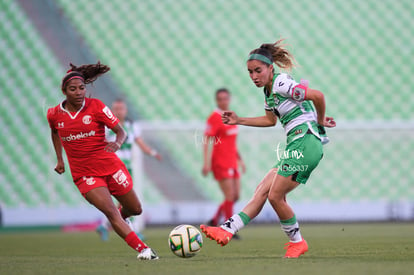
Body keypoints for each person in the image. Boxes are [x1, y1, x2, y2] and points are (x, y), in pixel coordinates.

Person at [200, 39, 336, 258]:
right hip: (295, 144)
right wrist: (239, 120)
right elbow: (269, 120)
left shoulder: (282, 83)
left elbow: (318, 96)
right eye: (250, 72)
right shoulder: (269, 92)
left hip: (306, 142)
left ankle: (297, 242)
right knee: (262, 191)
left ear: (270, 68)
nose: (254, 76)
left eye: (258, 71)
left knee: (275, 196)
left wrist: (319, 122)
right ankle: (227, 229)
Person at [47, 62, 158, 260]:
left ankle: (122, 223)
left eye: (82, 88)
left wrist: (117, 143)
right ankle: (144, 250)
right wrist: (59, 159)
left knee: (135, 209)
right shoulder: (54, 114)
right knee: (110, 211)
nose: (79, 92)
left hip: (110, 165)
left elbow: (121, 131)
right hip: (85, 174)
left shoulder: (96, 106)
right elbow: (55, 132)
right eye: (73, 89)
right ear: (64, 91)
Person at [96, 99, 162, 241]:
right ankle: (132, 230)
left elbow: (141, 144)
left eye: (121, 108)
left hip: (127, 168)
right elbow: (99, 143)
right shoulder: (108, 127)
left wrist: (153, 153)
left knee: (124, 202)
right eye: (116, 108)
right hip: (112, 166)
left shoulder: (132, 127)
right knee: (125, 201)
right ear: (112, 111)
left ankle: (105, 225)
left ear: (125, 110)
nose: (119, 111)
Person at [202, 88, 245, 231]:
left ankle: (214, 220)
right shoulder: (214, 117)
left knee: (235, 196)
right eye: (220, 99)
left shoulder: (231, 116)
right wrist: (206, 163)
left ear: (229, 99)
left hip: (232, 161)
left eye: (225, 98)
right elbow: (206, 140)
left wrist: (240, 159)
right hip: (220, 162)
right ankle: (229, 228)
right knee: (230, 195)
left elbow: (231, 142)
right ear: (216, 100)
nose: (223, 101)